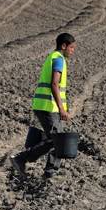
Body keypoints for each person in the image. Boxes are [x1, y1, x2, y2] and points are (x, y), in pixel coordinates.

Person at [11, 33, 76, 178]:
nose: (72, 51)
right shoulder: (59, 59)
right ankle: (28, 162)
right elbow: (54, 84)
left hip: (44, 105)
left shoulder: (52, 57)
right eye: (71, 47)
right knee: (58, 140)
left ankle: (46, 170)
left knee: (54, 139)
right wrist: (62, 109)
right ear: (63, 46)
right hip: (49, 106)